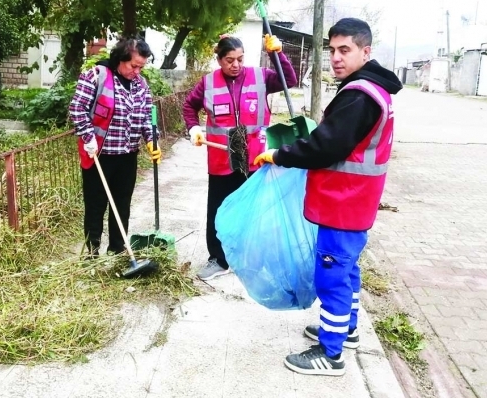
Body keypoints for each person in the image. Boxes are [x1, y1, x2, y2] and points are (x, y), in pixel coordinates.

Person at [253, 18, 403, 376]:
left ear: (366, 52)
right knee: (348, 271)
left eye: (344, 50)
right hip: (355, 203)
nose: (336, 57)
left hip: (344, 202)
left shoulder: (359, 95)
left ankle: (330, 353)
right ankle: (345, 329)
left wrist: (280, 155)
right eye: (332, 50)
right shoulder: (371, 89)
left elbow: (326, 146)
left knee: (331, 276)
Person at [182, 34, 298, 281]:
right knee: (218, 209)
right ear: (219, 60)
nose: (235, 64)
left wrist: (277, 54)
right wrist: (193, 128)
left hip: (255, 159)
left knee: (255, 210)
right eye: (229, 60)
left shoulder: (261, 77)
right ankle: (218, 259)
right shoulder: (208, 83)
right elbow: (189, 106)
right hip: (222, 159)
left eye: (240, 59)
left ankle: (251, 258)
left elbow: (290, 80)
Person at [69, 37, 161, 258]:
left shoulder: (141, 84)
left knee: (122, 204)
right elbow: (77, 108)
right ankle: (91, 252)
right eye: (133, 65)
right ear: (121, 58)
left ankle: (118, 249)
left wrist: (151, 139)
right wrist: (88, 136)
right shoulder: (97, 76)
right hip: (99, 155)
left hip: (127, 155)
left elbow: (146, 116)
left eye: (141, 66)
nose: (137, 71)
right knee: (96, 205)